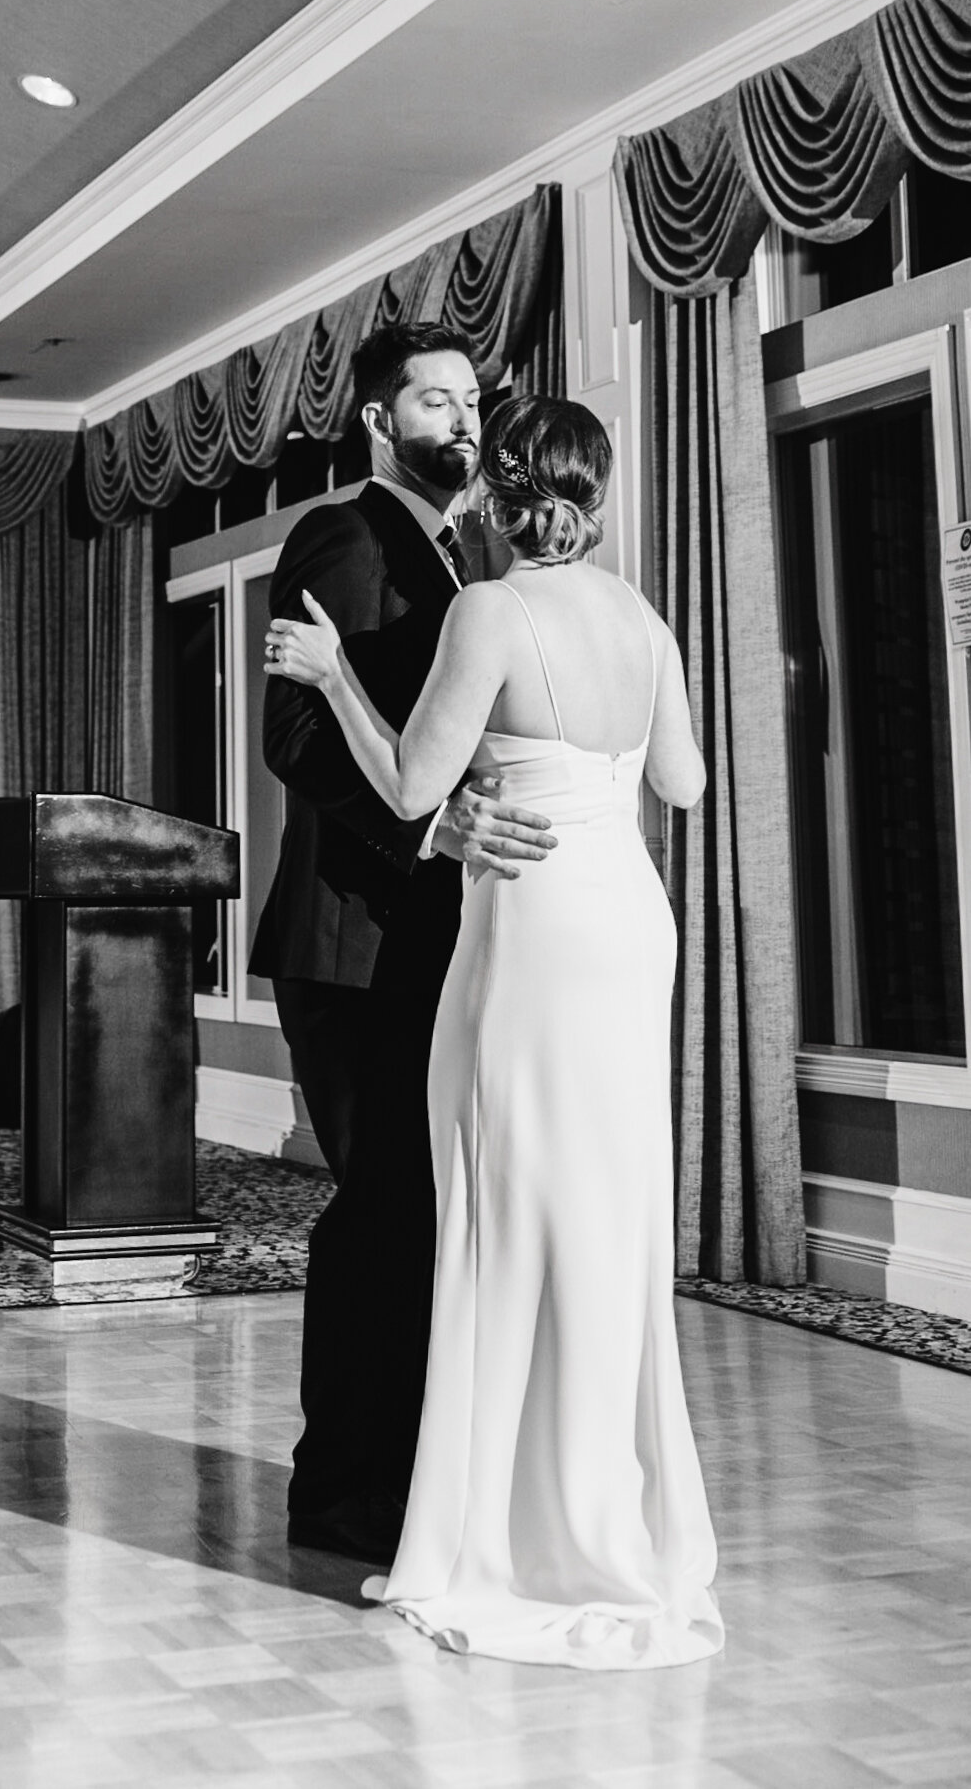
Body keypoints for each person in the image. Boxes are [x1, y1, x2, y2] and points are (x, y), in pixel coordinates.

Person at [265, 393, 723, 1669]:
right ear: (601, 493)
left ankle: (504, 1529)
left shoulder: (486, 609)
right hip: (627, 914)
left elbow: (412, 782)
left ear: (497, 498)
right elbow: (679, 783)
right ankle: (611, 1513)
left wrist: (337, 676)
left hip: (528, 926)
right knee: (606, 1214)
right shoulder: (642, 616)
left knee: (504, 1211)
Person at [250, 323, 555, 1563]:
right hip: (351, 946)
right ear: (381, 421)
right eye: (435, 401)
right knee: (379, 1212)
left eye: (471, 399)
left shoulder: (461, 555)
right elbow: (301, 741)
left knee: (421, 1212)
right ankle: (338, 1499)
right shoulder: (345, 534)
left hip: (423, 945)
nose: (462, 420)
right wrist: (432, 837)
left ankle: (406, 1476)